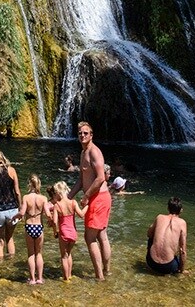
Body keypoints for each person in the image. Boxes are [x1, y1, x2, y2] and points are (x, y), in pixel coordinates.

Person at [69, 120, 112, 280]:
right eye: (80, 133)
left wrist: (86, 197)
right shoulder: (83, 153)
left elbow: (101, 177)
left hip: (98, 198)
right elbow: (81, 180)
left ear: (91, 135)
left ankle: (100, 276)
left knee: (89, 237)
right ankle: (107, 271)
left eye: (85, 133)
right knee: (102, 235)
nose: (82, 135)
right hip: (99, 198)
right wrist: (68, 198)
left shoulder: (94, 152)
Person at [14, 174, 51, 285]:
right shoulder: (43, 198)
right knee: (39, 254)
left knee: (31, 254)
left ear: (29, 184)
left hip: (29, 226)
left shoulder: (26, 197)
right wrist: (52, 220)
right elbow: (48, 214)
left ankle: (32, 279)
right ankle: (40, 278)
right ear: (39, 184)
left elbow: (21, 213)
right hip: (39, 227)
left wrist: (14, 217)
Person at [51, 180, 87, 281]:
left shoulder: (57, 206)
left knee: (63, 256)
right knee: (69, 254)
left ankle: (65, 278)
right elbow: (81, 215)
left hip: (63, 233)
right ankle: (70, 275)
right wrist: (88, 206)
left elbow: (54, 222)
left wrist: (55, 231)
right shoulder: (73, 202)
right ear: (66, 190)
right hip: (73, 233)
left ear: (58, 192)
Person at [146, 197, 187, 275]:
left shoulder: (159, 217)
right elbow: (183, 251)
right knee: (180, 250)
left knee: (151, 238)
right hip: (168, 267)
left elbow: (149, 234)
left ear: (168, 208)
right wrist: (182, 270)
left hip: (151, 262)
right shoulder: (182, 223)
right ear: (181, 210)